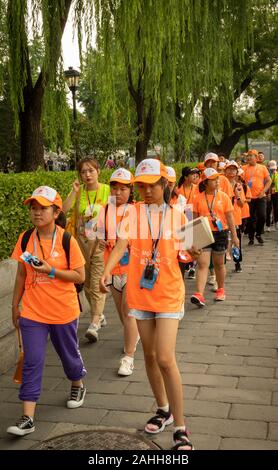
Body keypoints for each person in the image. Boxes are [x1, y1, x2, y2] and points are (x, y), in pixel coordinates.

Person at [100, 159, 197, 450]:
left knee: (165, 357)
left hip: (168, 294)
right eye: (140, 186)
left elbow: (189, 251)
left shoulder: (179, 214)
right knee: (150, 356)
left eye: (151, 185)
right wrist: (108, 269)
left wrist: (194, 246)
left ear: (164, 185)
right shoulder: (132, 213)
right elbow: (120, 245)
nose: (145, 191)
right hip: (140, 294)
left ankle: (181, 428)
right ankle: (163, 409)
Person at [7, 186, 86, 437]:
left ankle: (77, 382)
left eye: (43, 208)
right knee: (32, 361)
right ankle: (27, 418)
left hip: (63, 310)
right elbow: (21, 273)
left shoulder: (67, 240)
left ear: (56, 212)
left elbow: (79, 276)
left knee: (68, 355)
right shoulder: (25, 238)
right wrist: (15, 305)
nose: (36, 212)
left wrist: (50, 270)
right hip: (32, 311)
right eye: (33, 207)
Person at [62, 156, 110, 342]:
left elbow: (115, 213)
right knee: (88, 284)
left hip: (100, 243)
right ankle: (100, 315)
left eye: (91, 170)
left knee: (98, 281)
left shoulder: (107, 190)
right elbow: (62, 211)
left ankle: (94, 322)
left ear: (98, 171)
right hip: (81, 242)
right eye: (83, 171)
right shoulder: (79, 191)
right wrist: (73, 193)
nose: (87, 174)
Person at [100, 168, 139, 376]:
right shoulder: (104, 210)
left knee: (128, 311)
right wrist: (102, 240)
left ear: (131, 190)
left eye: (123, 188)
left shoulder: (136, 211)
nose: (118, 192)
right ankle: (133, 336)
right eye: (114, 188)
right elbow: (96, 235)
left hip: (132, 268)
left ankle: (128, 357)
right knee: (122, 314)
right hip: (113, 269)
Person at [191, 168, 239, 306]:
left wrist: (234, 237)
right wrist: (194, 240)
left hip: (220, 233)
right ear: (205, 182)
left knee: (219, 264)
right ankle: (199, 294)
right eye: (214, 179)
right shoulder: (197, 198)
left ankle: (221, 290)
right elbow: (194, 221)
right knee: (202, 264)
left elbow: (230, 217)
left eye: (217, 179)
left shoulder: (223, 197)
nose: (217, 181)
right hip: (203, 233)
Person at [243, 149, 272, 245]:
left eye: (251, 156)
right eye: (248, 156)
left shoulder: (262, 168)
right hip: (249, 198)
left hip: (261, 197)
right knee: (250, 219)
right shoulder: (243, 168)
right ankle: (251, 237)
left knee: (262, 216)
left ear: (256, 157)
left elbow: (269, 181)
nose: (249, 157)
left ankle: (258, 234)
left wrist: (263, 191)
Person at [224, 161, 245, 272]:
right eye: (229, 169)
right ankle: (222, 263)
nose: (231, 171)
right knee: (224, 240)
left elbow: (242, 204)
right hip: (223, 217)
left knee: (236, 241)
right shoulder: (221, 184)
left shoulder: (239, 186)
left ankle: (237, 263)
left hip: (235, 217)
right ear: (225, 171)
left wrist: (237, 196)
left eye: (234, 169)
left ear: (237, 172)